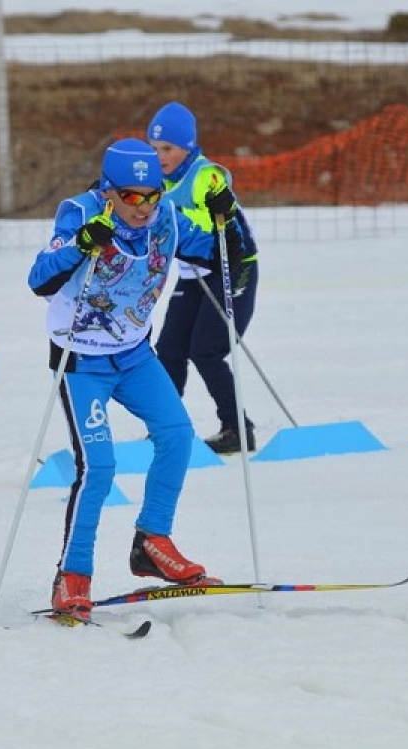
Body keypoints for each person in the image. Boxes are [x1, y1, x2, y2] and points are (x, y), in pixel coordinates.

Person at [27, 137, 255, 621]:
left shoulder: (167, 216)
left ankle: (151, 542)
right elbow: (39, 280)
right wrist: (82, 246)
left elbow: (219, 256)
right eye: (131, 196)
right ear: (109, 191)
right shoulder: (80, 212)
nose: (143, 206)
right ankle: (73, 575)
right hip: (82, 361)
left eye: (152, 193)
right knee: (100, 467)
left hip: (134, 357)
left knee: (177, 436)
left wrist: (227, 218)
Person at [147, 101, 261, 454]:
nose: (159, 156)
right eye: (153, 149)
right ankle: (168, 431)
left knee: (206, 350)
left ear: (188, 146)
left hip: (230, 267)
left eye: (167, 148)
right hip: (193, 274)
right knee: (168, 350)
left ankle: (237, 428)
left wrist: (236, 268)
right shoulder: (159, 181)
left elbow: (229, 227)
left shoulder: (204, 175)